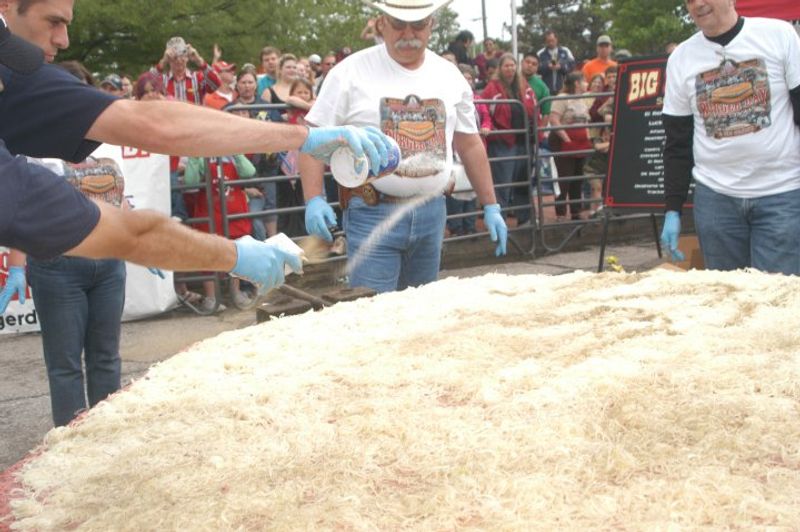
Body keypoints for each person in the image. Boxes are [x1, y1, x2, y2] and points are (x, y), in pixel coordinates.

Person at [0, 4, 393, 294]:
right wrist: (233, 257)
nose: (64, 40)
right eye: (53, 21)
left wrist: (303, 138)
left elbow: (154, 122)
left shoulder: (12, 69)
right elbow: (127, 235)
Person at [300, 0, 507, 294]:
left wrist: (491, 204)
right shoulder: (348, 73)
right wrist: (314, 198)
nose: (407, 33)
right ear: (381, 23)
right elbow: (312, 138)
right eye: (398, 24)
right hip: (371, 211)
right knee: (374, 313)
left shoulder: (449, 76)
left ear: (431, 25)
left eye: (418, 24)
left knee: (420, 314)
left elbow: (469, 142)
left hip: (431, 211)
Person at [660, 0, 800, 274]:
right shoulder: (680, 59)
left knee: (777, 302)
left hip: (782, 193)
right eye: (689, 0)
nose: (697, 4)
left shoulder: (779, 35)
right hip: (716, 200)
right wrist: (672, 208)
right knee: (727, 301)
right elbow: (677, 143)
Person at [481, 53, 537, 226]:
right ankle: (500, 221)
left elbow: (534, 107)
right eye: (506, 65)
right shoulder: (492, 88)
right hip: (503, 142)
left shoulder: (524, 85)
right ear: (500, 68)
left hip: (524, 140)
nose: (510, 68)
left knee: (523, 180)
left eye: (512, 65)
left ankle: (525, 218)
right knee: (502, 184)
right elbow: (484, 110)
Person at [549, 72, 592, 221]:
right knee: (564, 178)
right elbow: (554, 119)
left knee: (578, 178)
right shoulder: (562, 99)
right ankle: (560, 212)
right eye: (584, 81)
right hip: (564, 141)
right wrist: (566, 139)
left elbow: (586, 121)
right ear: (577, 84)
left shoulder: (583, 100)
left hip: (580, 143)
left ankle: (576, 211)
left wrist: (587, 138)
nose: (587, 83)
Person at [536, 30, 575, 94]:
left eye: (552, 40)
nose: (551, 43)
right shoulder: (540, 53)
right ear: (545, 41)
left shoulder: (565, 51)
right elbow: (536, 69)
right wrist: (547, 66)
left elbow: (572, 65)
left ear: (556, 39)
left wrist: (561, 66)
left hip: (563, 89)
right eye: (548, 41)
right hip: (546, 90)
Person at [521, 51, 551, 127]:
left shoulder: (543, 87)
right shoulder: (510, 80)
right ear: (521, 62)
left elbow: (546, 113)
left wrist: (541, 133)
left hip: (532, 128)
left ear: (537, 67)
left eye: (534, 64)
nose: (530, 65)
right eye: (527, 62)